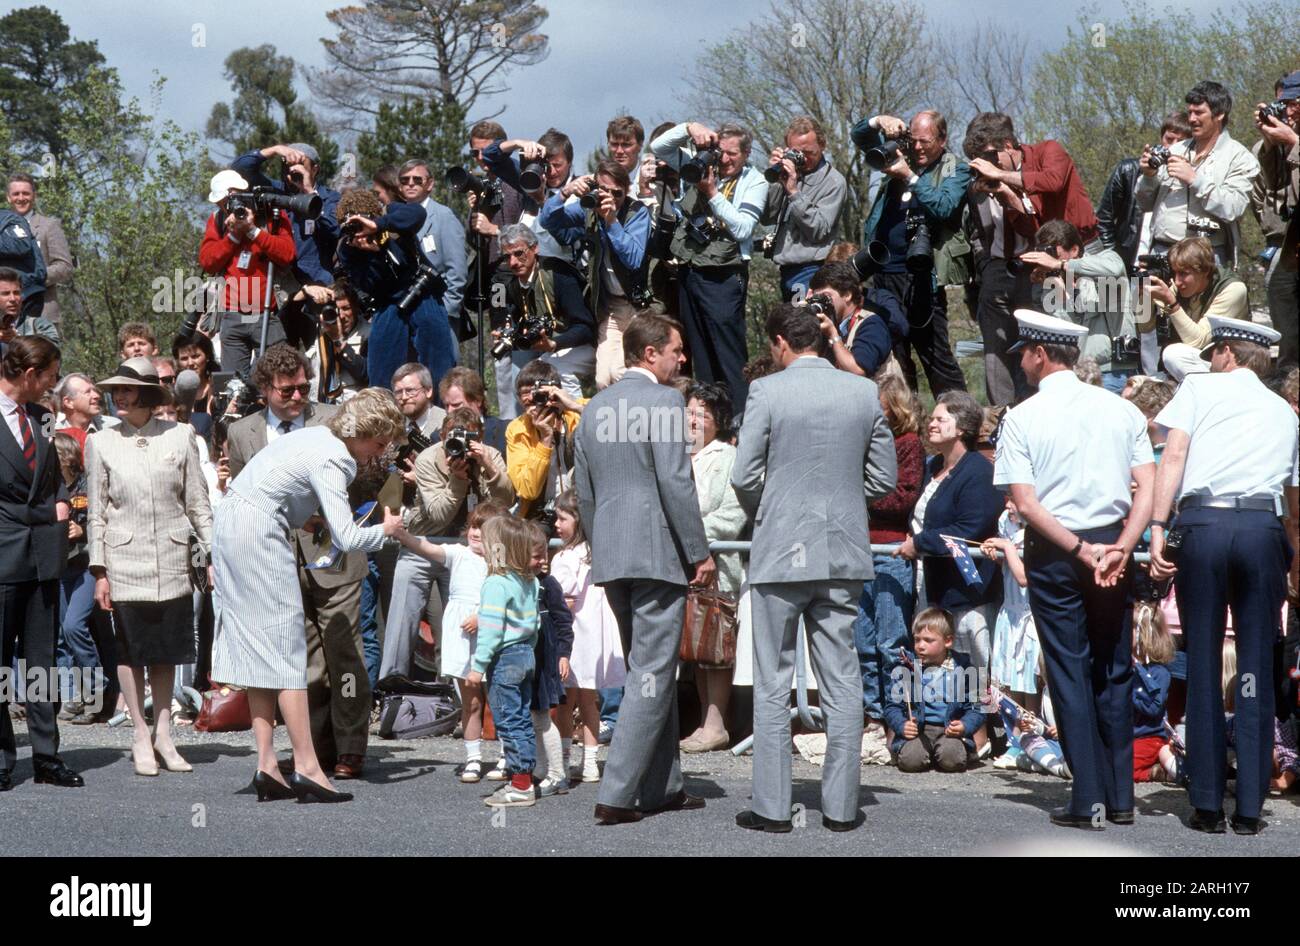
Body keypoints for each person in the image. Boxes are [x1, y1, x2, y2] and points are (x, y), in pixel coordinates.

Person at [731, 304, 897, 833]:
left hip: (781, 548)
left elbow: (743, 473)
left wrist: (774, 508)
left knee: (773, 679)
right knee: (842, 679)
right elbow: (883, 479)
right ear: (822, 341)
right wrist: (845, 500)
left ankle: (774, 807)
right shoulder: (863, 391)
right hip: (843, 549)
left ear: (781, 342)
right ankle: (842, 809)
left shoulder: (768, 391)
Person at [993, 309, 1155, 829]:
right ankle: (1122, 795)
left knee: (1068, 669)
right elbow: (1147, 487)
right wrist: (1124, 545)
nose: (1021, 360)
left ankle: (1087, 798)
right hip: (1113, 542)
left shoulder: (1022, 417)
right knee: (1114, 666)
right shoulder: (1121, 411)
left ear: (1041, 354)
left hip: (1059, 549)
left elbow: (1026, 501)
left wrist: (1079, 549)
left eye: (1024, 352)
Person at [211, 389, 405, 803]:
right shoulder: (336, 457)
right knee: (287, 646)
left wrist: (311, 515)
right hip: (259, 531)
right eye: (380, 441)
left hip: (232, 523)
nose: (381, 451)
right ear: (366, 431)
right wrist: (388, 532)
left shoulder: (314, 438)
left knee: (259, 647)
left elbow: (282, 492)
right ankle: (308, 768)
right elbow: (350, 536)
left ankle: (266, 765)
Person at [1148, 316, 1298, 834]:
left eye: (1214, 350)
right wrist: (1294, 557)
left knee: (1206, 661)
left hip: (1204, 523)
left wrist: (1156, 526)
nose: (1211, 359)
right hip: (1262, 526)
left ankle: (1207, 802)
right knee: (1255, 664)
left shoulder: (1201, 389)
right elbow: (1294, 500)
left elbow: (1173, 456)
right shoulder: (1284, 410)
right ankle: (1251, 803)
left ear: (1228, 352)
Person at [573, 313, 714, 823]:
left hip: (613, 555)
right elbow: (676, 482)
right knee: (652, 674)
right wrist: (697, 550)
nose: (682, 358)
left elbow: (583, 492)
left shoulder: (592, 410)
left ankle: (663, 786)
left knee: (646, 670)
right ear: (649, 353)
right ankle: (617, 793)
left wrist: (600, 545)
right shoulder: (665, 401)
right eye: (676, 349)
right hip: (656, 553)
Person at [225, 344, 372, 780]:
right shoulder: (241, 432)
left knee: (344, 656)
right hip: (272, 559)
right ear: (265, 389)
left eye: (304, 387)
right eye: (287, 390)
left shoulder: (332, 421)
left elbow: (359, 479)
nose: (297, 397)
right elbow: (245, 492)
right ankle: (313, 750)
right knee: (299, 660)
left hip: (334, 557)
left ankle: (350, 748)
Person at [87, 357, 213, 776]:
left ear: (148, 394)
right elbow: (97, 514)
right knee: (131, 648)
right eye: (115, 389)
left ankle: (163, 732)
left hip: (174, 559)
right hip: (123, 562)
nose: (119, 396)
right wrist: (99, 569)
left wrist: (211, 553)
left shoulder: (181, 436)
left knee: (167, 650)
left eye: (128, 389)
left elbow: (197, 503)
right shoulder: (101, 441)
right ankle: (139, 732)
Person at [894, 391, 1003, 756]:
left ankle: (980, 730)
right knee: (937, 660)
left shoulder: (978, 471)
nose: (932, 423)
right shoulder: (931, 467)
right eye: (933, 417)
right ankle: (934, 725)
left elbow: (970, 525)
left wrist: (920, 542)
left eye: (942, 419)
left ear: (963, 428)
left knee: (975, 658)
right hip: (935, 580)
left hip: (969, 587)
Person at [963, 112, 1098, 404]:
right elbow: (1030, 229)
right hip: (1022, 265)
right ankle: (1005, 414)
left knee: (1058, 340)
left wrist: (1003, 177)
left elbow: (1052, 181)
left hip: (1077, 256)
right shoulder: (993, 184)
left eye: (993, 159)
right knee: (1004, 349)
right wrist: (1006, 197)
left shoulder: (1049, 150)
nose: (990, 168)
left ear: (1009, 145)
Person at [0, 336, 84, 790]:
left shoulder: (39, 421)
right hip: (3, 558)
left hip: (43, 559)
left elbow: (53, 486)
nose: (53, 385)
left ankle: (47, 756)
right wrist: (46, 514)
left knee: (41, 664)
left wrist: (62, 508)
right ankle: (2, 757)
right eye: (50, 376)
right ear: (30, 374)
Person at [384, 406, 512, 683]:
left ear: (479, 437)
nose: (457, 449)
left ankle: (456, 697)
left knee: (459, 626)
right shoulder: (429, 459)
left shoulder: (490, 456)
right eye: (450, 441)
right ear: (441, 437)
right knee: (401, 621)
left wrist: (488, 466)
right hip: (425, 542)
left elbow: (504, 503)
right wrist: (457, 479)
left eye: (468, 440)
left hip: (468, 549)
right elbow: (438, 514)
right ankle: (391, 688)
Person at [652, 121, 767, 418]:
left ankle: (741, 422)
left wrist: (713, 192)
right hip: (691, 271)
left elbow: (743, 228)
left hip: (724, 277)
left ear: (746, 153)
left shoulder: (755, 182)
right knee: (701, 356)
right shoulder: (703, 166)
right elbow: (659, 148)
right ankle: (709, 422)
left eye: (732, 154)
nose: (725, 160)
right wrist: (690, 128)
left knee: (728, 355)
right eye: (721, 152)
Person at [852, 109, 970, 394]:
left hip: (921, 277)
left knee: (936, 355)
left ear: (942, 140)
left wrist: (909, 177)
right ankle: (907, 431)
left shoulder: (955, 168)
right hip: (883, 275)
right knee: (895, 357)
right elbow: (859, 136)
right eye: (913, 140)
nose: (917, 148)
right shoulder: (897, 155)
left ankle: (961, 424)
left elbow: (944, 206)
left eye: (925, 142)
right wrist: (878, 121)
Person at [389, 501, 508, 782]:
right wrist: (402, 535)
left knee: (499, 701)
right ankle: (473, 758)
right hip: (461, 636)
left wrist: (482, 616)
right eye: (473, 527)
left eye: (484, 528)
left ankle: (507, 756)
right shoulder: (458, 554)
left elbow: (506, 596)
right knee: (471, 702)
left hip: (491, 634)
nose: (476, 533)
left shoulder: (501, 562)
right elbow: (428, 548)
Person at [333, 188, 459, 396]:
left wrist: (379, 226)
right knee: (381, 367)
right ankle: (384, 413)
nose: (359, 229)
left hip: (420, 293)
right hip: (388, 303)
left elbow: (418, 214)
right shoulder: (347, 248)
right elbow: (369, 285)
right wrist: (372, 255)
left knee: (436, 354)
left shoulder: (391, 215)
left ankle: (440, 407)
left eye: (362, 222)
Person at [857, 376, 923, 763]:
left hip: (890, 549)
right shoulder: (862, 444)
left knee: (891, 642)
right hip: (859, 548)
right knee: (863, 642)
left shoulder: (907, 444)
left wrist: (858, 492)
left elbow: (902, 498)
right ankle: (872, 714)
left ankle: (898, 719)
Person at [541, 159, 652, 390]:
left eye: (617, 193)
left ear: (627, 190)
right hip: (609, 308)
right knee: (603, 378)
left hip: (636, 307)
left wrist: (611, 221)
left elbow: (633, 259)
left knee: (622, 372)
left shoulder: (638, 213)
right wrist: (566, 192)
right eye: (604, 192)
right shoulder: (589, 209)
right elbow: (549, 220)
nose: (610, 198)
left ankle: (631, 422)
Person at [678, 381, 747, 753]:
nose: (692, 419)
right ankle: (704, 721)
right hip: (680, 564)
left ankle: (717, 724)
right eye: (688, 411)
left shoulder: (727, 458)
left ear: (717, 421)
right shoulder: (675, 455)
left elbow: (733, 514)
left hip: (717, 565)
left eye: (700, 414)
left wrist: (690, 533)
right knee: (695, 648)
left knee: (716, 646)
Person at [1136, 81, 1261, 268]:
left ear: (1219, 114)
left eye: (1199, 113)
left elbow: (1233, 208)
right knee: (1148, 298)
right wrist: (1148, 176)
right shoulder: (1175, 150)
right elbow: (1144, 203)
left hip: (1205, 257)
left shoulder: (1240, 158)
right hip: (1160, 252)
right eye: (1190, 113)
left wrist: (1195, 179)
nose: (1192, 119)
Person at [231, 142, 343, 349]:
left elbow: (334, 230)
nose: (293, 169)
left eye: (301, 164)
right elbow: (239, 170)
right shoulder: (275, 192)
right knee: (280, 352)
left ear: (315, 169)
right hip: (280, 289)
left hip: (317, 285)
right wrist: (274, 150)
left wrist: (309, 191)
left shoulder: (330, 198)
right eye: (288, 164)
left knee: (319, 351)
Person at [466, 514, 542, 808]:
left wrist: (477, 667)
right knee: (521, 718)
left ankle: (521, 785)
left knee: (508, 721)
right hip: (525, 653)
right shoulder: (528, 581)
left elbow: (491, 630)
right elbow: (535, 624)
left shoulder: (496, 583)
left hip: (506, 659)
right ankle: (522, 778)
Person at [551, 490, 625, 783]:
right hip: (594, 637)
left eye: (562, 518)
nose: (556, 524)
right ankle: (590, 762)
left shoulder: (565, 557)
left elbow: (564, 603)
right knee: (589, 700)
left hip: (573, 638)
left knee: (567, 701)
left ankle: (566, 759)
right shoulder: (599, 554)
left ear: (578, 521)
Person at [199, 169, 297, 378]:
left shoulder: (272, 214)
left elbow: (287, 254)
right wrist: (233, 236)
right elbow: (208, 261)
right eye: (223, 204)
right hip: (231, 313)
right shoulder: (218, 220)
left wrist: (253, 231)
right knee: (231, 384)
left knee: (277, 375)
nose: (228, 209)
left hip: (266, 312)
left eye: (230, 201)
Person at [1020, 219, 1137, 393]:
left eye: (1054, 253)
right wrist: (1056, 287)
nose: (1048, 260)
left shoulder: (1106, 259)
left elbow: (1115, 269)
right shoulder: (1055, 281)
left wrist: (1062, 265)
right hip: (1079, 374)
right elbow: (1066, 328)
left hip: (1113, 371)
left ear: (1074, 249)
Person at [490, 223, 596, 413]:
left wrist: (555, 343)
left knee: (555, 367)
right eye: (507, 257)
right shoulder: (514, 285)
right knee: (525, 379)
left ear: (534, 248)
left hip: (586, 345)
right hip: (550, 348)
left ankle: (580, 422)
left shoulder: (558, 275)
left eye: (519, 253)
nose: (513, 262)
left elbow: (586, 327)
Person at [884, 607, 985, 773]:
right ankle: (924, 753)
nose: (920, 646)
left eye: (928, 640)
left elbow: (978, 708)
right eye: (917, 640)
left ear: (948, 641)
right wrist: (902, 725)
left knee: (952, 760)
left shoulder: (964, 668)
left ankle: (950, 752)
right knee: (911, 761)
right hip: (919, 730)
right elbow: (892, 707)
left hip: (949, 731)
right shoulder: (908, 669)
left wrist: (965, 725)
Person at [762, 115, 849, 301]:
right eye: (796, 152)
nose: (803, 158)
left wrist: (794, 192)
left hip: (811, 269)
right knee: (791, 325)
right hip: (786, 269)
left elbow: (819, 230)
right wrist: (776, 181)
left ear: (822, 145)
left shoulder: (834, 182)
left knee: (802, 325)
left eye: (809, 152)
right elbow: (767, 217)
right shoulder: (790, 174)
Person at [1140, 236, 1249, 378]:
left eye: (1184, 274)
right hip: (1198, 364)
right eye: (1174, 272)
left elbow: (1198, 342)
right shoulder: (1176, 285)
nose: (1177, 282)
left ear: (1205, 271)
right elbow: (1144, 327)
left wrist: (1172, 303)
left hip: (1231, 365)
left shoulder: (1232, 288)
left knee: (1174, 353)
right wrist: (1144, 295)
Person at [981, 495, 1041, 752]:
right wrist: (996, 553)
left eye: (1013, 501)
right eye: (1005, 499)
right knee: (1011, 681)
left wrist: (1006, 548)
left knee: (1029, 682)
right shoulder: (1007, 523)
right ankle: (1014, 740)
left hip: (1030, 615)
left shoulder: (1037, 530)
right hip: (1011, 611)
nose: (1006, 506)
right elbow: (1007, 563)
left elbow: (1024, 576)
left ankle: (1033, 740)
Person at [1097, 112, 1192, 273]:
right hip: (1124, 265)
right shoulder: (1128, 170)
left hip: (1164, 266)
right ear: (1162, 137)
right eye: (1169, 139)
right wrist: (1113, 257)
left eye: (1181, 142)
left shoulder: (1190, 176)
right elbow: (1103, 219)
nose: (1173, 146)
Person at [1251, 70, 1300, 366]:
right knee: (1278, 288)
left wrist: (1294, 141)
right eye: (1284, 104)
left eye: (1293, 103)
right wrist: (1270, 143)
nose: (1288, 111)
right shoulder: (1286, 139)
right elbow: (1273, 186)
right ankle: (1288, 372)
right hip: (1289, 241)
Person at [505, 359, 585, 526]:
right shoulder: (517, 428)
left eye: (535, 392)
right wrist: (545, 439)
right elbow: (528, 490)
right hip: (540, 512)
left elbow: (613, 421)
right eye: (522, 394)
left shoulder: (577, 412)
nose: (529, 399)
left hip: (581, 506)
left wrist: (573, 406)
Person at [528, 522, 574, 796]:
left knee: (543, 717)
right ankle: (542, 768)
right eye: (536, 555)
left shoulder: (548, 584)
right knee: (535, 716)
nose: (543, 560)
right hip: (529, 660)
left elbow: (563, 621)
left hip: (545, 660)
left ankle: (558, 774)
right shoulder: (520, 583)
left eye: (544, 553)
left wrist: (564, 654)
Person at [397, 157, 468, 327]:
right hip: (405, 310)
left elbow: (457, 269)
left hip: (439, 308)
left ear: (429, 184)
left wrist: (447, 309)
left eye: (417, 179)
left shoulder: (444, 216)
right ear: (399, 187)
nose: (411, 184)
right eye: (405, 180)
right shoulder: (395, 219)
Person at [807, 261, 901, 378]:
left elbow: (857, 372)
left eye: (826, 297)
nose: (822, 303)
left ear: (847, 294)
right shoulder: (830, 324)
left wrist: (833, 335)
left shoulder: (872, 324)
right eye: (817, 298)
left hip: (878, 394)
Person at [4, 173, 73, 324]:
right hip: (4, 317)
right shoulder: (1, 228)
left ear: (34, 196)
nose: (21, 198)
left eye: (26, 193)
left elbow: (65, 266)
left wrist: (33, 279)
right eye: (16, 194)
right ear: (8, 197)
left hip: (42, 312)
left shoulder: (49, 226)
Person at [1130, 601, 1181, 784]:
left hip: (1149, 737)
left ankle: (1154, 772)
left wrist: (1129, 691)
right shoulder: (1127, 669)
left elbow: (1153, 707)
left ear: (1143, 635)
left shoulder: (1159, 673)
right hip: (1130, 736)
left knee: (1119, 770)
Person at [305, 279, 370, 403]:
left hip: (353, 408)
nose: (340, 316)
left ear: (356, 308)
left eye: (346, 308)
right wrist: (305, 290)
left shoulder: (369, 333)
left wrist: (338, 339)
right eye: (335, 310)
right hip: (319, 406)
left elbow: (365, 375)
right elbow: (286, 316)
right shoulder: (319, 329)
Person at [439, 366, 508, 457]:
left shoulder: (504, 432)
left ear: (478, 400)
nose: (449, 411)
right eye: (446, 405)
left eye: (456, 405)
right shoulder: (438, 437)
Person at [0, 266, 59, 347]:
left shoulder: (39, 326)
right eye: (6, 294)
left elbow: (52, 352)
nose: (13, 299)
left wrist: (17, 340)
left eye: (16, 293)